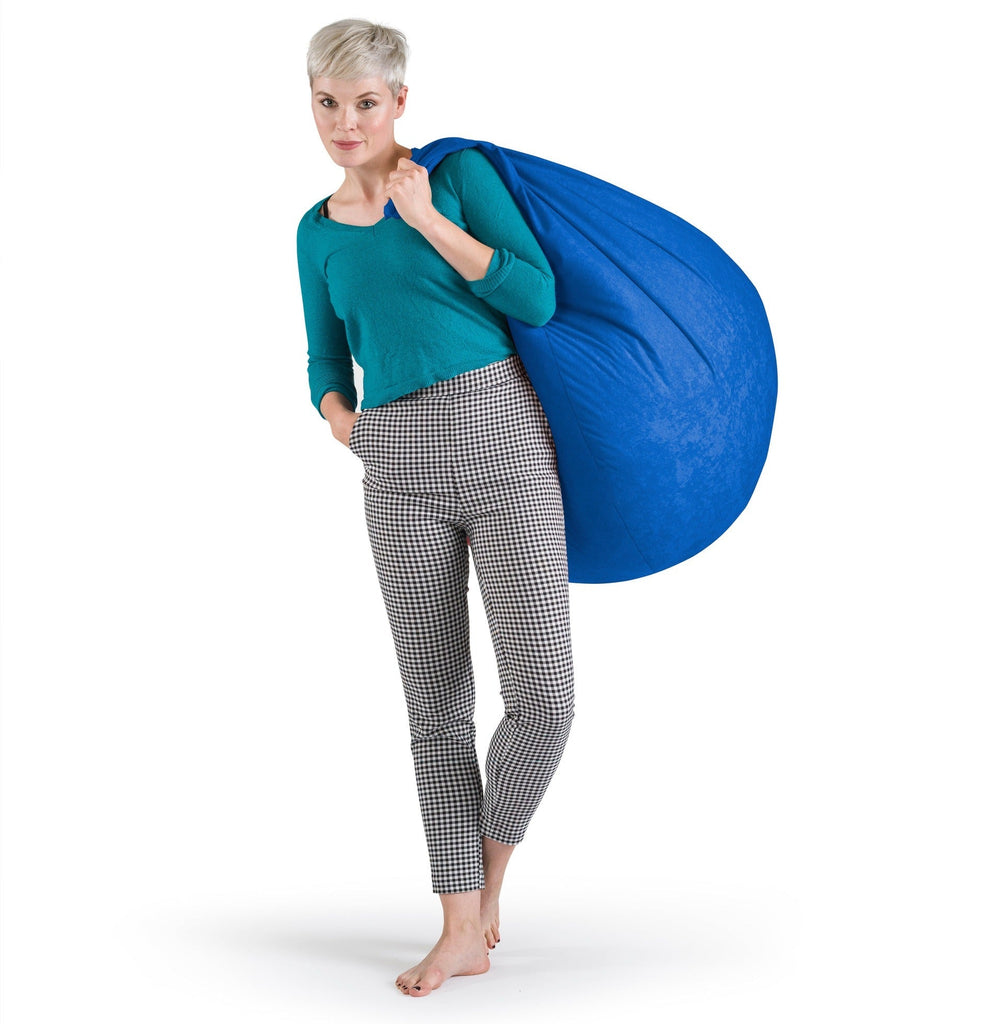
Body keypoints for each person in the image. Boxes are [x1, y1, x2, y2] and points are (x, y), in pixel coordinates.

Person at [296, 19, 575, 998]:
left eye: (365, 102)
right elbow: (325, 356)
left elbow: (534, 297)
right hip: (396, 461)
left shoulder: (454, 180)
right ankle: (460, 924)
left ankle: (489, 882)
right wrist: (345, 424)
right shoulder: (315, 230)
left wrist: (428, 222)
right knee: (436, 708)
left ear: (400, 103)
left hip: (504, 435)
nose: (345, 122)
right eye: (327, 102)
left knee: (544, 696)